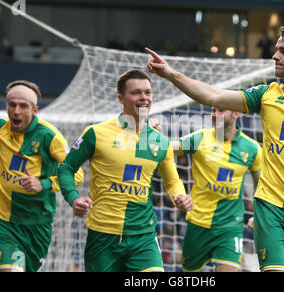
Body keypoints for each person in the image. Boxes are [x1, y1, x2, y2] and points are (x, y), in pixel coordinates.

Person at [145, 21, 284, 272]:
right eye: (276, 49)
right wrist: (171, 73)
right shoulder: (266, 94)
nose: (275, 56)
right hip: (269, 206)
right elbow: (213, 96)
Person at [0, 60, 86, 272]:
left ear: (34, 110)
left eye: (23, 106)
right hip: (6, 222)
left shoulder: (49, 136)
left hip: (38, 224)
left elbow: (76, 174)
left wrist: (43, 185)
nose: (16, 110)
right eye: (12, 104)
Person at [57, 69, 193, 272]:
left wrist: (180, 196)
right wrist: (73, 197)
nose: (144, 97)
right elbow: (66, 168)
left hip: (143, 237)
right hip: (103, 237)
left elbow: (172, 180)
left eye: (148, 92)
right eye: (136, 92)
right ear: (121, 98)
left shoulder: (160, 141)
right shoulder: (96, 133)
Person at [152, 107, 261, 272]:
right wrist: (153, 135)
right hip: (198, 223)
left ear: (236, 113)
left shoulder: (252, 148)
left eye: (221, 111)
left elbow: (261, 186)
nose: (215, 115)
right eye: (213, 110)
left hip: (230, 226)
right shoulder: (200, 138)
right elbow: (166, 148)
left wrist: (259, 214)